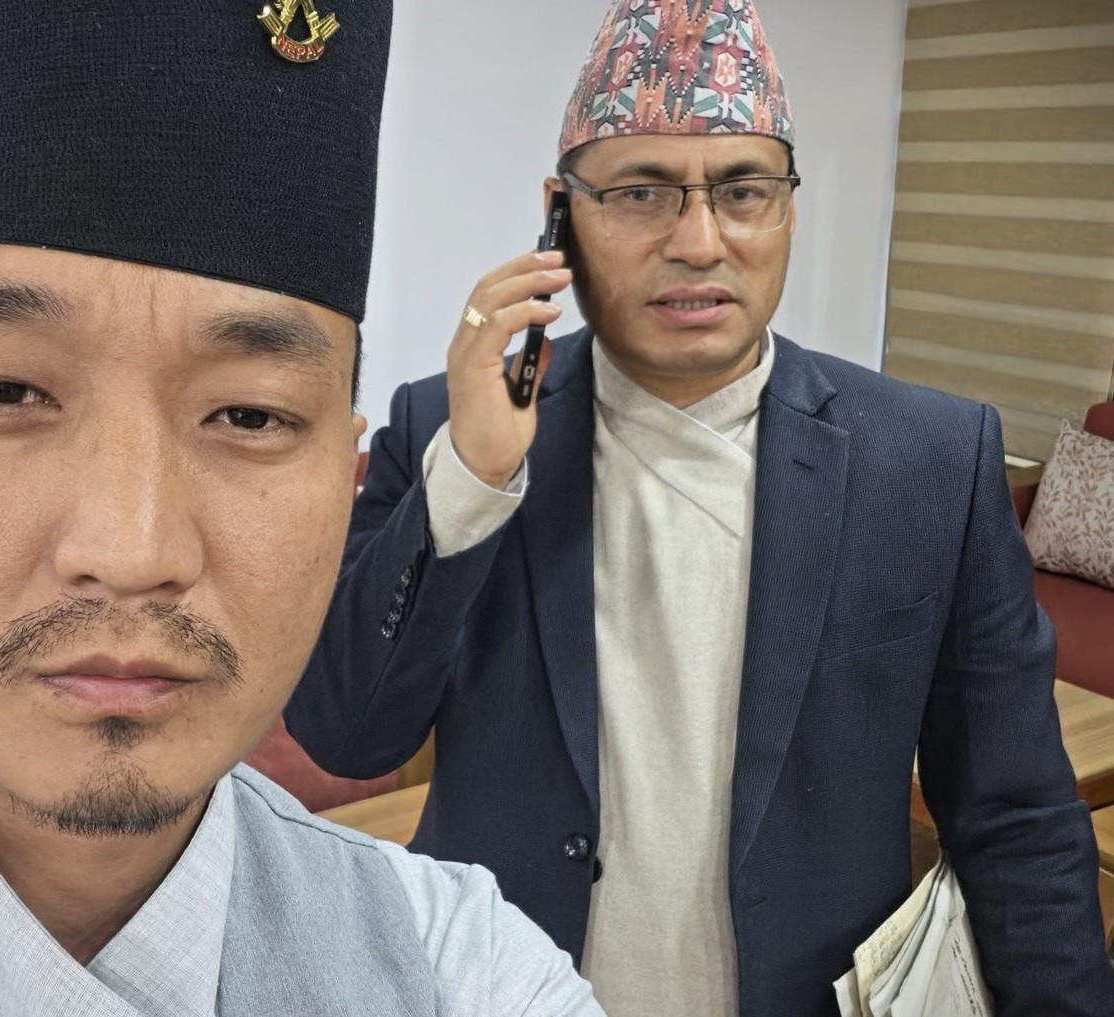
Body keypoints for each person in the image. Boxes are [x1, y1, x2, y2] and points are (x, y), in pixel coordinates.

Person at [0, 3, 605, 1015]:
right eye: (3, 391)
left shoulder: (455, 965)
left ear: (341, 477)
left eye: (250, 414)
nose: (133, 547)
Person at [285, 1, 1114, 1015]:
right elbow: (346, 736)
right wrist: (469, 479)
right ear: (559, 214)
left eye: (743, 191)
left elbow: (1016, 817)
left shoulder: (925, 461)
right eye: (640, 193)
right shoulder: (446, 426)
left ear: (789, 210)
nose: (698, 241)